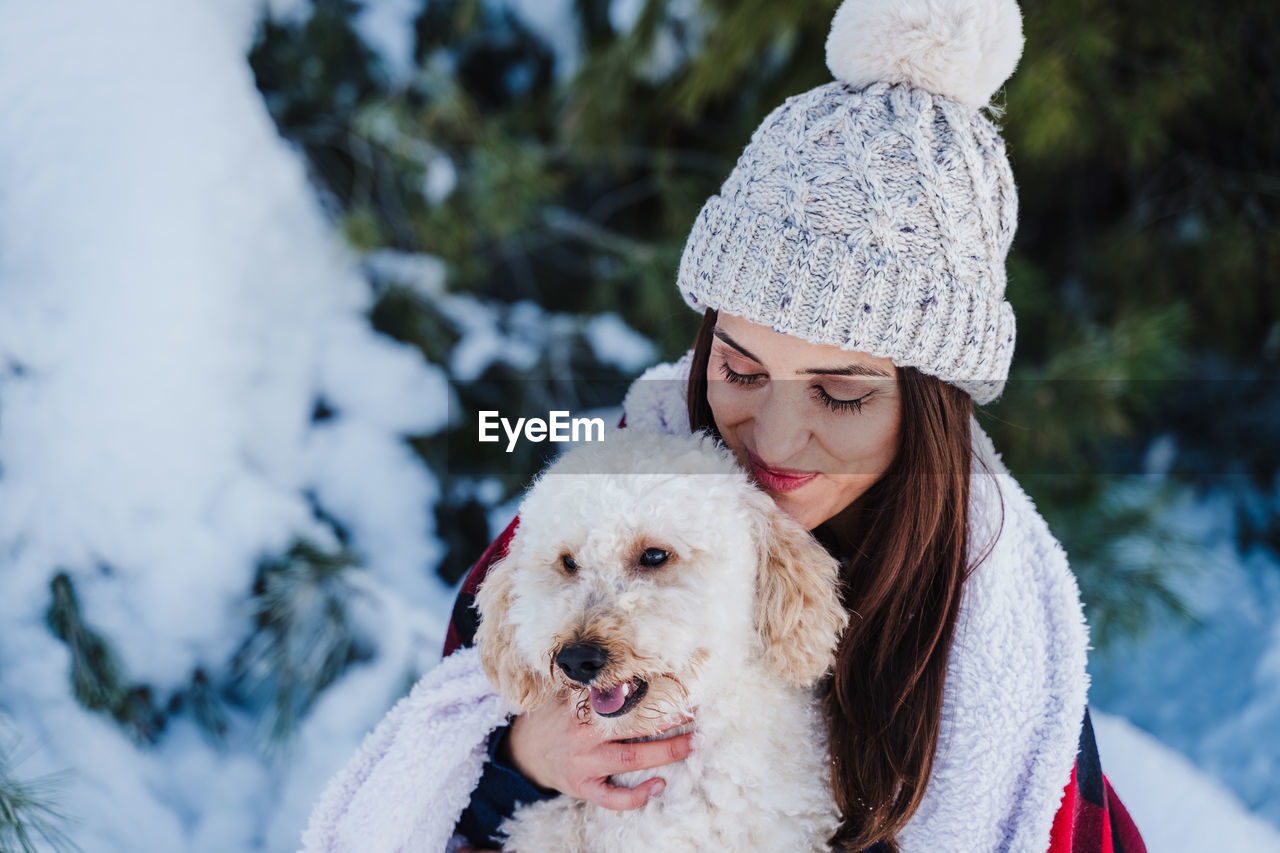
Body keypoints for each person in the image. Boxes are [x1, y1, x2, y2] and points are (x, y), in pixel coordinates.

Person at [299, 0, 1149, 850]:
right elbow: (433, 775)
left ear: (927, 407)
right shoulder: (600, 502)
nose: (772, 443)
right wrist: (520, 760)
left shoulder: (997, 631)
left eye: (842, 393)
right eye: (740, 371)